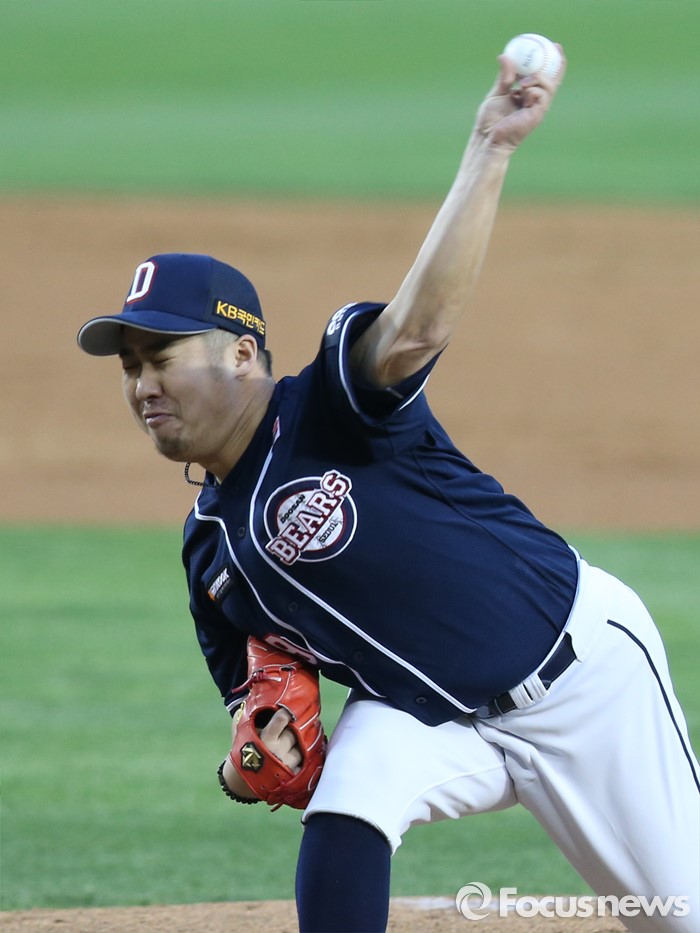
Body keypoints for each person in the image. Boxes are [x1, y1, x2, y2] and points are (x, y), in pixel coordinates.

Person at [77, 49, 699, 933]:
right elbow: (258, 732)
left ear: (242, 353)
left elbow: (416, 327)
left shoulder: (332, 407)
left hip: (583, 680)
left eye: (161, 357)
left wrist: (490, 148)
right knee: (348, 802)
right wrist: (245, 766)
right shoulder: (210, 556)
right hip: (437, 720)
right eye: (130, 366)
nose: (142, 383)